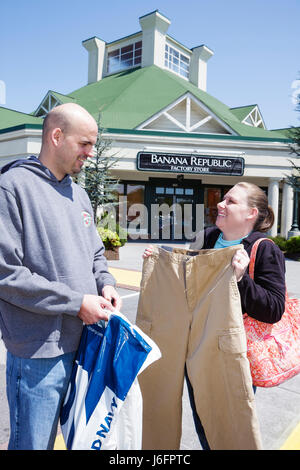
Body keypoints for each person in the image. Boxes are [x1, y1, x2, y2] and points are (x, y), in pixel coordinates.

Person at [0, 103, 121, 450]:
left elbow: (96, 254)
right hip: (38, 352)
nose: (91, 153)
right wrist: (75, 302)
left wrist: (106, 283)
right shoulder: (12, 187)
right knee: (32, 444)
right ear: (56, 136)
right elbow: (6, 274)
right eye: (85, 143)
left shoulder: (79, 194)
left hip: (83, 344)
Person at [143, 182, 286, 449]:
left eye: (230, 201)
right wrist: (159, 259)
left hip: (228, 352)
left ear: (251, 213)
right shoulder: (205, 237)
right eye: (223, 199)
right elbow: (187, 284)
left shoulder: (263, 249)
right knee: (203, 424)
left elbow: (274, 308)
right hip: (192, 343)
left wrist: (242, 280)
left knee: (226, 427)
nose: (221, 204)